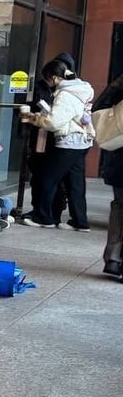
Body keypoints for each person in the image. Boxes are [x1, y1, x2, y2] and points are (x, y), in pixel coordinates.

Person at [19, 60, 94, 230]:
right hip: (82, 141)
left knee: (46, 177)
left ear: (53, 77)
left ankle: (43, 218)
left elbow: (54, 123)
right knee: (75, 183)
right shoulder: (80, 89)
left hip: (69, 142)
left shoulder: (65, 94)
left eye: (47, 79)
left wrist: (32, 117)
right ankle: (79, 221)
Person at [92, 73, 123, 278]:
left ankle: (114, 258)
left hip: (119, 162)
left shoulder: (118, 90)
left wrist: (115, 86)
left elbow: (97, 111)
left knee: (120, 207)